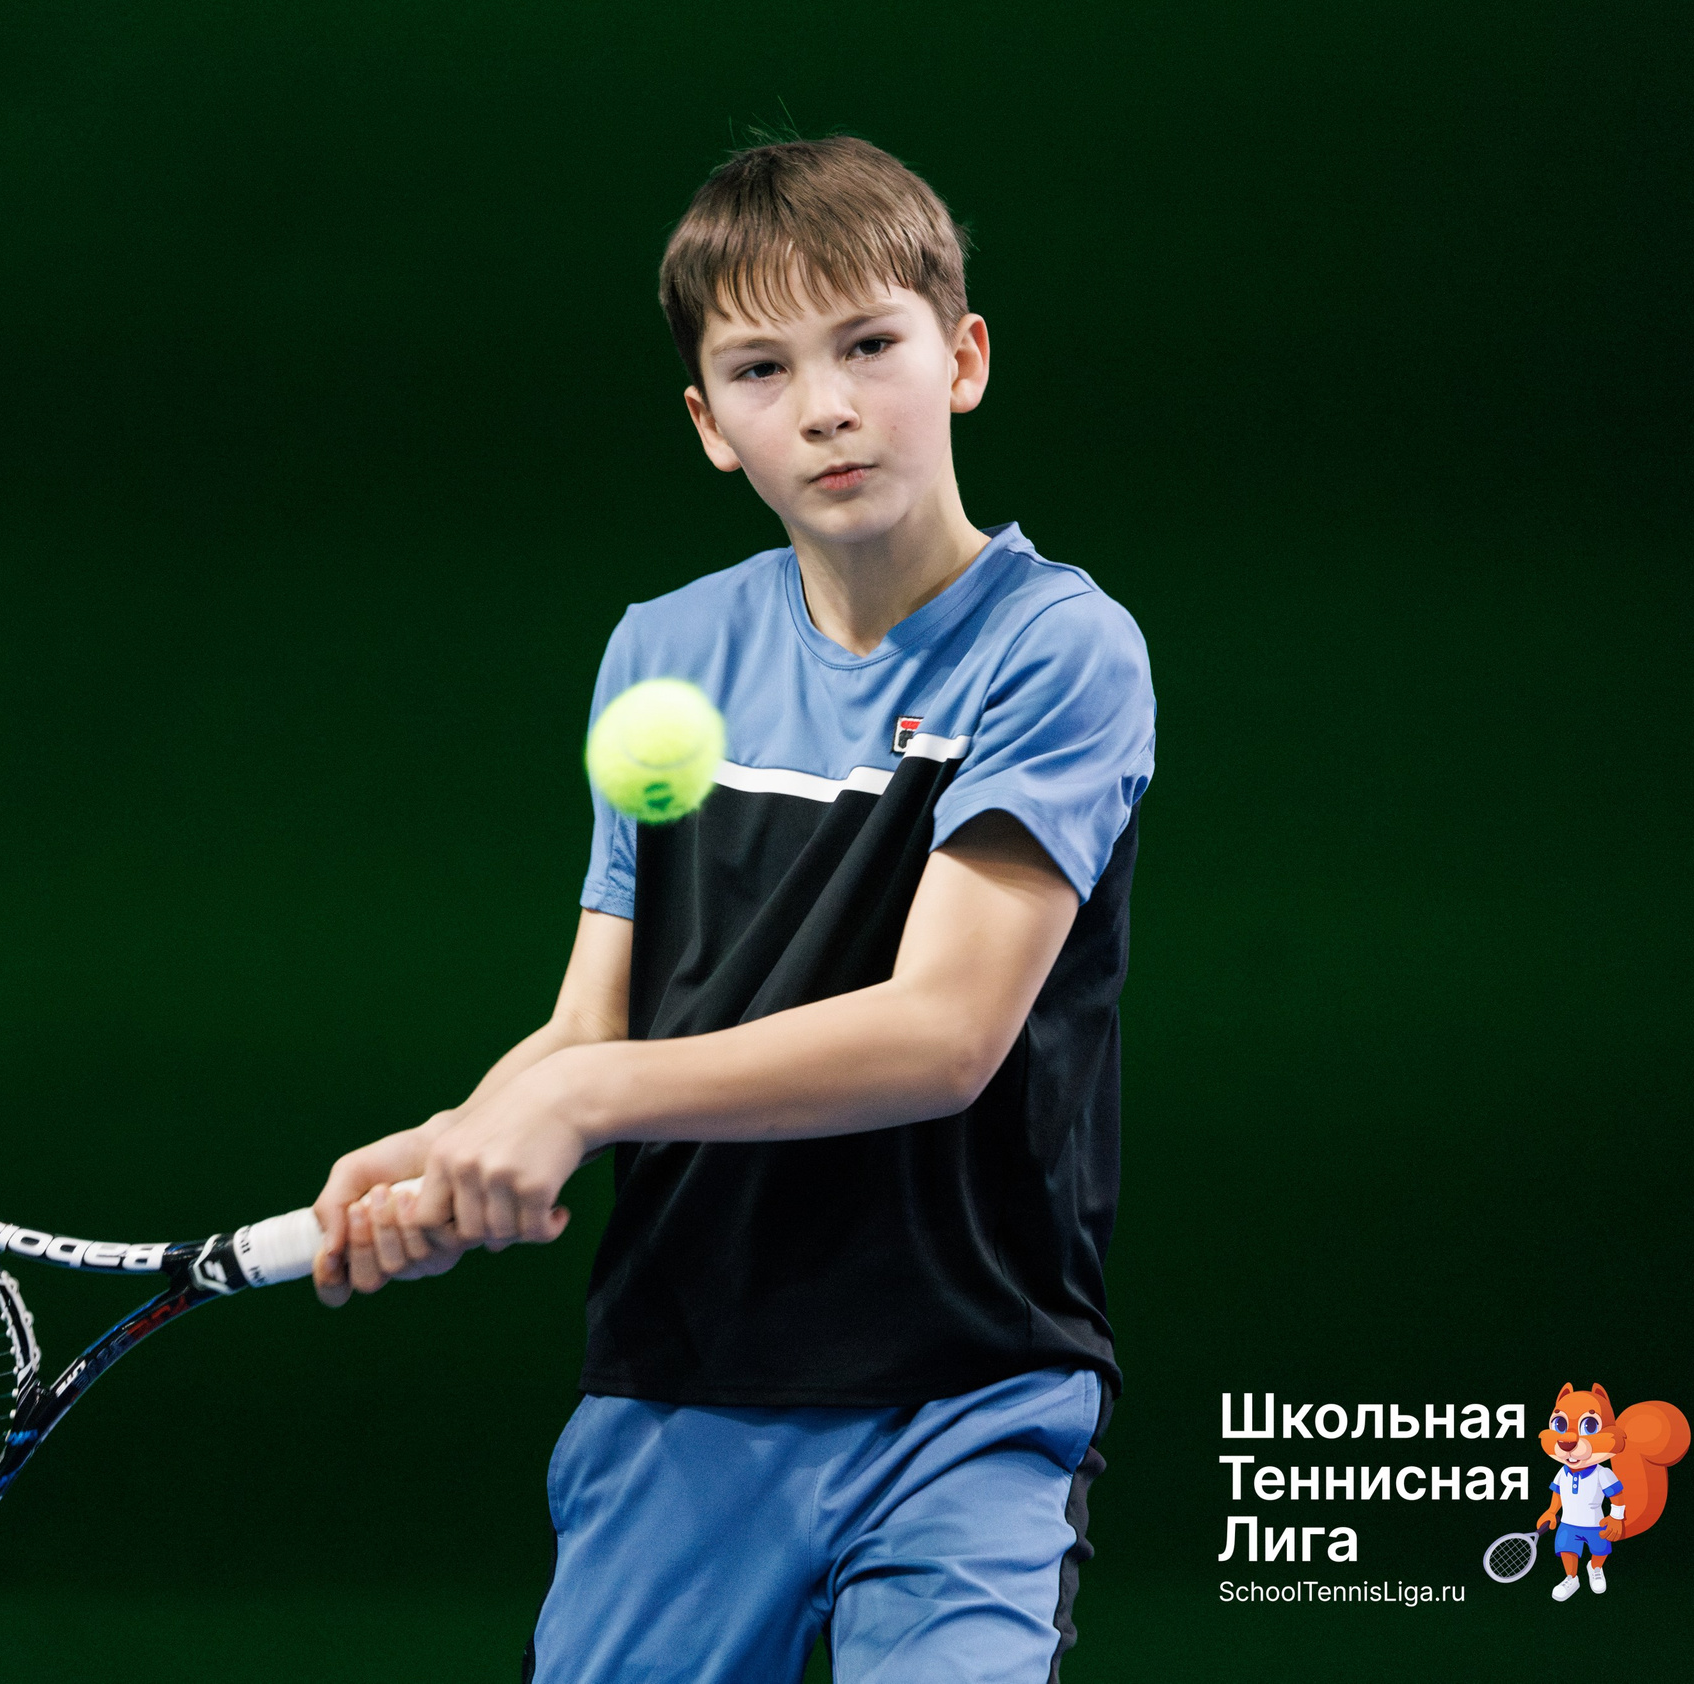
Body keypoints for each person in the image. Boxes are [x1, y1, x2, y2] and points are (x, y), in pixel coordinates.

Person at [309, 135, 1155, 1684]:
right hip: (682, 1386)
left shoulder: (1058, 648)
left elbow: (944, 1033)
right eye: (762, 370)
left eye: (870, 346)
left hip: (969, 1392)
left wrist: (578, 1100)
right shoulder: (661, 656)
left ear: (961, 358)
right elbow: (593, 1017)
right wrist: (461, 1147)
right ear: (710, 426)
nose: (827, 405)